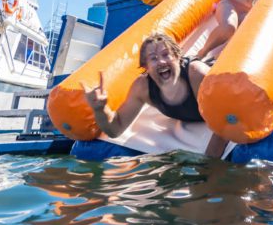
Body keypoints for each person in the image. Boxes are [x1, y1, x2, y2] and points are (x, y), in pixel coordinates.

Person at [82, 32, 227, 156]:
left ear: (177, 57)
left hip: (220, 77)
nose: (161, 62)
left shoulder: (196, 74)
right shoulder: (143, 87)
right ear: (146, 67)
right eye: (153, 58)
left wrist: (207, 166)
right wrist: (100, 109)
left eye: (166, 55)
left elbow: (225, 121)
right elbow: (115, 129)